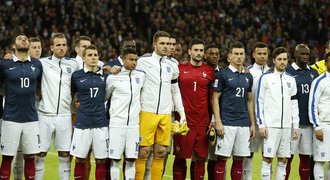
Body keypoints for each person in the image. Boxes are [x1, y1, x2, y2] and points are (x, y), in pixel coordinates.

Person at [135, 31, 186, 180]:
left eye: (168, 44)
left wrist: (182, 114)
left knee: (161, 152)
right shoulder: (142, 62)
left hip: (165, 114)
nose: (166, 46)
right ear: (154, 44)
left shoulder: (173, 66)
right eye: (162, 43)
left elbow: (175, 91)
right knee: (143, 151)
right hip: (146, 112)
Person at [35, 33, 79, 180]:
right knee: (40, 153)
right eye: (58, 45)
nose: (61, 47)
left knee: (65, 154)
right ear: (51, 47)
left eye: (64, 44)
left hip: (64, 115)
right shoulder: (42, 63)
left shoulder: (73, 64)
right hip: (44, 114)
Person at [0, 33, 42, 180]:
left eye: (25, 39)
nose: (23, 39)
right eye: (19, 38)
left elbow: (41, 88)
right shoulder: (4, 64)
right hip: (10, 118)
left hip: (31, 118)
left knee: (30, 157)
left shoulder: (37, 64)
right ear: (13, 46)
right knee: (7, 157)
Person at [212, 42, 255, 180]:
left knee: (239, 160)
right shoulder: (223, 75)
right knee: (222, 159)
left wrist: (252, 123)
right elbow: (215, 99)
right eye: (236, 54)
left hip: (243, 123)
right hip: (227, 122)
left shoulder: (248, 76)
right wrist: (218, 121)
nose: (239, 56)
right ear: (229, 56)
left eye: (241, 54)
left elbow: (249, 100)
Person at [172, 38, 215, 180]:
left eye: (201, 50)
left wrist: (213, 119)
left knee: (200, 159)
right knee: (180, 157)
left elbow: (213, 97)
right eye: (196, 50)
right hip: (183, 121)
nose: (198, 53)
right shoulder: (179, 68)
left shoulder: (209, 71)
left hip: (202, 121)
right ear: (189, 51)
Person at [256, 47, 300, 180]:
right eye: (279, 59)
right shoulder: (266, 78)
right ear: (274, 60)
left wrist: (295, 125)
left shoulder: (291, 80)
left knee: (283, 160)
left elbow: (294, 104)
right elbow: (259, 102)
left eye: (285, 59)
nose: (282, 62)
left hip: (286, 127)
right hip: (271, 126)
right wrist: (261, 124)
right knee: (267, 159)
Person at [105, 49, 145, 180]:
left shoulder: (141, 76)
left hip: (134, 125)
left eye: (135, 60)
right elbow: (105, 98)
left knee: (131, 160)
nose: (134, 62)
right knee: (115, 160)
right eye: (131, 59)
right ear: (123, 60)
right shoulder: (113, 77)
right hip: (117, 124)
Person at [70, 44, 108, 180]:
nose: (93, 57)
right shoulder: (76, 76)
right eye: (90, 55)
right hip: (82, 123)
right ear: (84, 58)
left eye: (95, 55)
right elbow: (71, 94)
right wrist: (76, 102)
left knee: (101, 160)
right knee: (80, 159)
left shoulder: (105, 75)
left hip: (101, 123)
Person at [285, 44, 319, 180]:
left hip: (308, 122)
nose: (305, 57)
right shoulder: (288, 71)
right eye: (302, 54)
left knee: (306, 157)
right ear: (295, 55)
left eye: (307, 54)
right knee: (287, 157)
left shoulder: (314, 73)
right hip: (292, 123)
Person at [12, 36, 43, 180]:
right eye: (34, 48)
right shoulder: (14, 64)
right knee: (17, 154)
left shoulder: (43, 65)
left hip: (37, 116)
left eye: (39, 47)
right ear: (28, 49)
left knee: (33, 154)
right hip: (17, 115)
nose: (37, 50)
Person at [243, 42, 271, 180]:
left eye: (264, 53)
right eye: (259, 53)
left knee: (268, 155)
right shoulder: (247, 72)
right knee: (248, 154)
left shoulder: (273, 72)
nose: (262, 56)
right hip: (251, 120)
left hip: (269, 121)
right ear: (253, 55)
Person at [308, 52, 330, 180]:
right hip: (324, 125)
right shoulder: (319, 81)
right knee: (320, 160)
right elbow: (312, 105)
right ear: (326, 64)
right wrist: (317, 126)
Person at [204, 44, 221, 180]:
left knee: (214, 156)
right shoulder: (199, 70)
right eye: (211, 53)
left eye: (217, 53)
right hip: (200, 118)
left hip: (216, 119)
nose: (214, 56)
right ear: (205, 55)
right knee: (196, 156)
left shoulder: (223, 74)